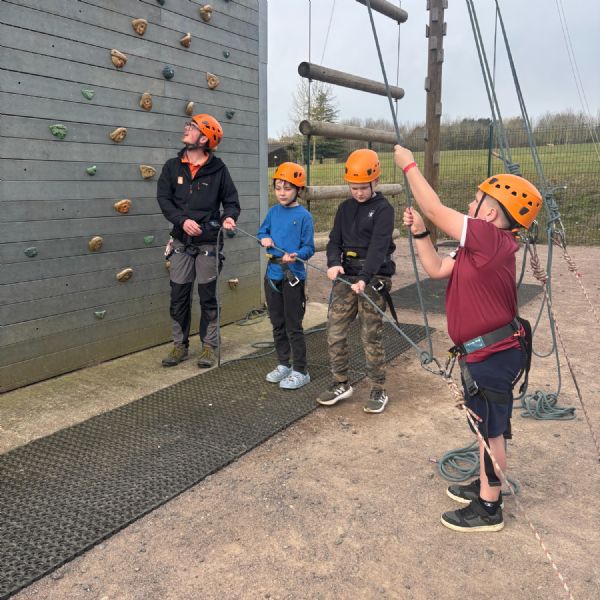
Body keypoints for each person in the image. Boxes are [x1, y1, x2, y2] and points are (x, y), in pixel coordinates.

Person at [394, 144, 542, 532]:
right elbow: (437, 268)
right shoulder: (480, 248)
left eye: (476, 200)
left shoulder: (489, 239)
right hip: (484, 354)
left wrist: (409, 165)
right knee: (485, 427)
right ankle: (486, 485)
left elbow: (435, 208)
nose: (470, 204)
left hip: (492, 356)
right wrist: (421, 233)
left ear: (490, 213)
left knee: (490, 432)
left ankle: (489, 507)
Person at [316, 149, 396, 414]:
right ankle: (341, 382)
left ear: (376, 181)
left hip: (374, 277)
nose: (359, 193)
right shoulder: (345, 208)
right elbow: (334, 241)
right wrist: (333, 262)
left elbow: (378, 248)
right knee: (335, 330)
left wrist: (364, 278)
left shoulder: (383, 210)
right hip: (346, 275)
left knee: (370, 335)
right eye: (354, 187)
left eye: (363, 187)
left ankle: (378, 387)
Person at [158, 114, 240, 368]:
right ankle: (179, 346)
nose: (186, 128)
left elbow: (231, 201)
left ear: (204, 139)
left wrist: (229, 217)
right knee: (178, 296)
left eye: (192, 127)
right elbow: (164, 200)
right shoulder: (172, 167)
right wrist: (182, 221)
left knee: (208, 296)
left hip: (208, 243)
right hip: (181, 243)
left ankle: (209, 346)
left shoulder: (218, 169)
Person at [257, 162, 315, 389]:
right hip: (272, 274)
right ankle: (284, 364)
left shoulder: (304, 216)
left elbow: (309, 247)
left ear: (298, 190)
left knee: (293, 324)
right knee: (277, 322)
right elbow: (262, 231)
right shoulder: (273, 212)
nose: (282, 193)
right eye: (278, 188)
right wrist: (264, 238)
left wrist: (297, 255)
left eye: (288, 188)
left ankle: (300, 370)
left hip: (293, 275)